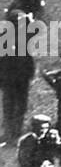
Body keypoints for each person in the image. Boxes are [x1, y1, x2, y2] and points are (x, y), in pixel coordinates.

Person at [0, 9, 36, 143]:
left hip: (10, 77)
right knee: (19, 105)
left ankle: (10, 133)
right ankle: (14, 133)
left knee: (10, 105)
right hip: (20, 77)